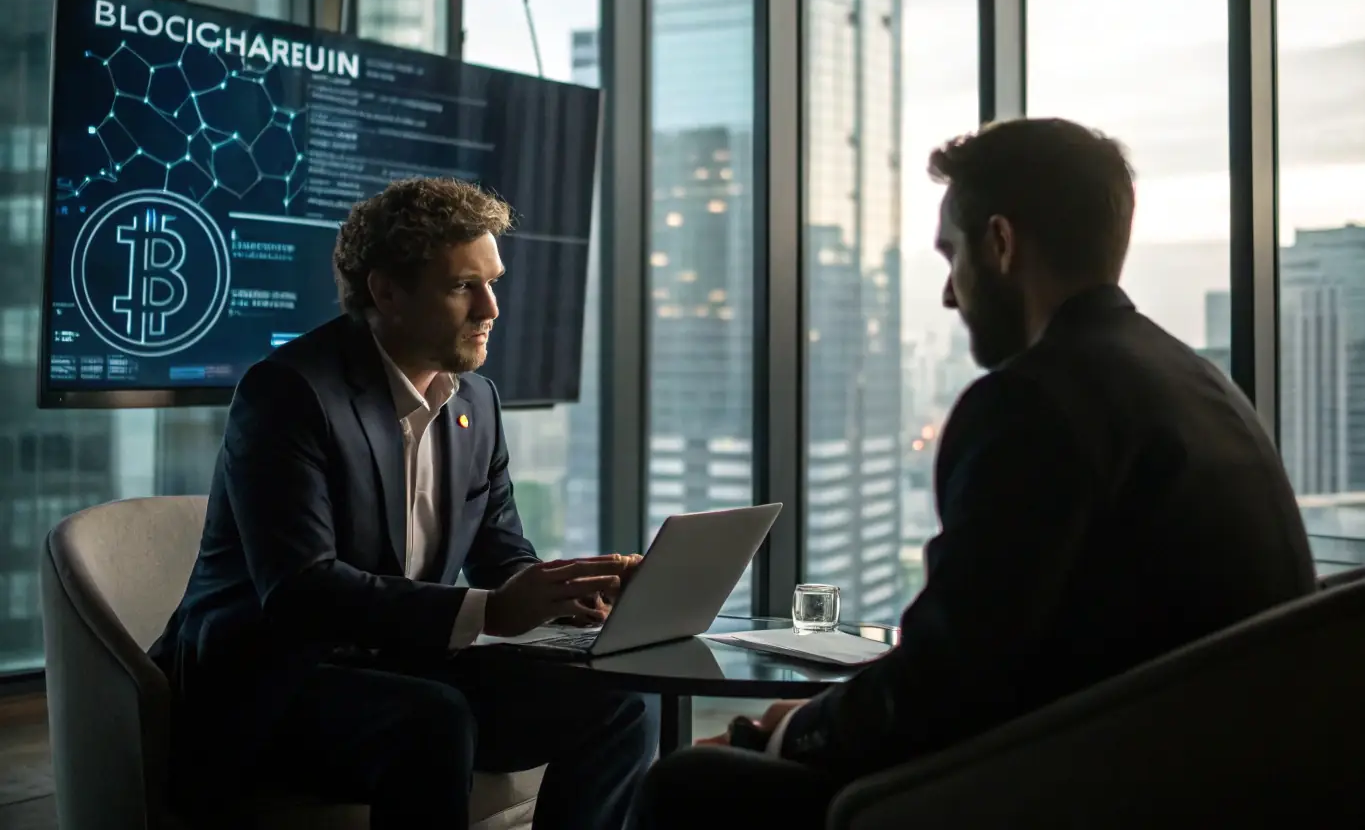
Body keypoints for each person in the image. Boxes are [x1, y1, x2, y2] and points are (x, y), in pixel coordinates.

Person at [632, 117, 1316, 828]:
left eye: (950, 255)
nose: (948, 296)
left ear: (999, 242)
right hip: (1219, 781)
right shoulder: (1197, 382)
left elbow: (944, 685)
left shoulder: (1034, 402)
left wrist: (779, 731)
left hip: (1092, 793)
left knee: (689, 785)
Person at [150, 176, 658, 830]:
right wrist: (495, 611)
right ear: (385, 292)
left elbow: (501, 555)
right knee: (432, 718)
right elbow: (301, 591)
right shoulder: (287, 393)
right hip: (273, 684)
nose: (490, 309)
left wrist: (567, 593)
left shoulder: (475, 402)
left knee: (622, 699)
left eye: (492, 281)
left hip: (407, 668)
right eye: (462, 287)